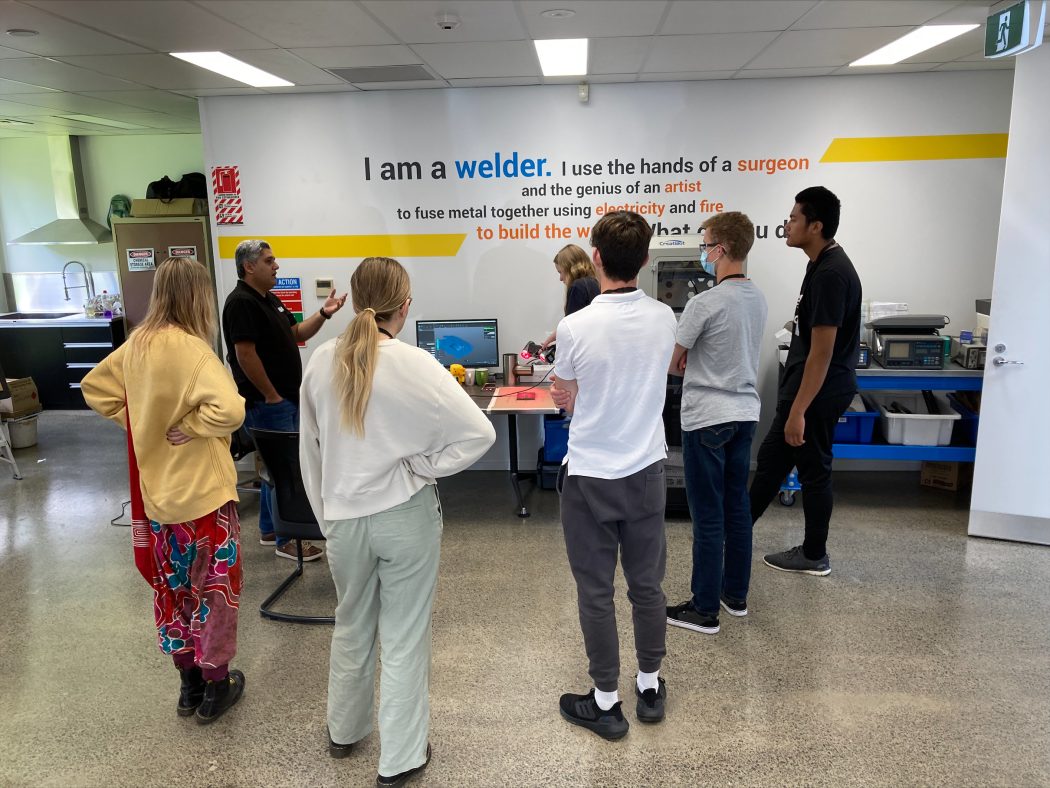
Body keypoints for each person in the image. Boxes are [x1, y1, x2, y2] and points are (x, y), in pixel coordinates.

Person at [299, 257, 495, 785]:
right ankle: (402, 757)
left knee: (352, 621)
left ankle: (343, 731)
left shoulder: (319, 361)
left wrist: (327, 516)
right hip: (403, 516)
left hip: (343, 518)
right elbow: (480, 434)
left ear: (354, 296)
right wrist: (422, 467)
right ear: (404, 307)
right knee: (404, 637)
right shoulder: (417, 365)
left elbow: (310, 451)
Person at [81, 257, 247, 724]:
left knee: (173, 590)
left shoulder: (136, 345)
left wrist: (141, 426)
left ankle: (188, 685)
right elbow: (232, 412)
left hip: (159, 500)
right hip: (205, 498)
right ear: (198, 295)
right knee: (216, 592)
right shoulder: (193, 350)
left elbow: (94, 388)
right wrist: (192, 425)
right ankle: (217, 687)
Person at [550, 211, 677, 740]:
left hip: (589, 477)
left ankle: (606, 701)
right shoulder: (666, 317)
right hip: (646, 471)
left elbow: (563, 393)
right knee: (647, 587)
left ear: (595, 259)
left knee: (595, 591)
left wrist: (576, 398)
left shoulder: (573, 326)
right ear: (646, 260)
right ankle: (649, 685)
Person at [749, 187, 862, 576]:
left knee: (813, 471)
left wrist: (798, 409)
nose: (788, 224)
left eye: (794, 218)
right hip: (810, 387)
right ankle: (737, 531)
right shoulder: (820, 263)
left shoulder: (831, 273)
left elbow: (823, 352)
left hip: (817, 390)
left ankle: (814, 554)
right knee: (771, 463)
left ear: (816, 226)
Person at [665, 212, 768, 635]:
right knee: (736, 508)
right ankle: (734, 596)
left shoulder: (704, 302)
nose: (703, 252)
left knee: (707, 515)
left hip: (707, 417)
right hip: (745, 414)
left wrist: (689, 358)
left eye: (706, 244)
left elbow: (673, 364)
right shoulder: (757, 297)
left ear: (721, 249)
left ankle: (704, 609)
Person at [222, 239, 347, 561]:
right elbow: (244, 354)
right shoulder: (241, 303)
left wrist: (324, 313)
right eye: (269, 260)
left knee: (276, 470)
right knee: (287, 471)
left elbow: (297, 334)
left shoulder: (269, 299)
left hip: (284, 400)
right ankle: (287, 539)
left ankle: (269, 528)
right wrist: (271, 395)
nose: (276, 266)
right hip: (270, 404)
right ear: (249, 267)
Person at [539, 243, 600, 350]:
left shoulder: (577, 287)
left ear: (570, 268)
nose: (561, 278)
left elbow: (571, 329)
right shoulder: (594, 283)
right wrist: (550, 339)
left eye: (560, 272)